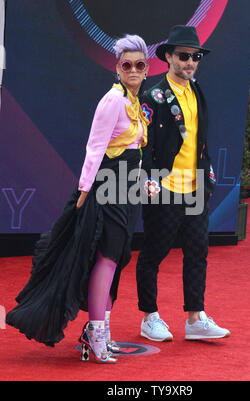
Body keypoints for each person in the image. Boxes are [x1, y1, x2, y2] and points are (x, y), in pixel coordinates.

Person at [6, 34, 149, 364]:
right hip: (106, 189)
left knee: (117, 257)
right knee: (107, 258)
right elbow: (95, 148)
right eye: (126, 64)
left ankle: (98, 332)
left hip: (126, 189)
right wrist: (85, 190)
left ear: (145, 70)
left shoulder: (134, 105)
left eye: (138, 65)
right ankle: (96, 333)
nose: (132, 70)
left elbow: (134, 152)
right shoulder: (112, 101)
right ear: (117, 68)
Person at [136, 25, 230, 341]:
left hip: (195, 188)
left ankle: (195, 318)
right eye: (184, 56)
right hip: (164, 190)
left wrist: (208, 174)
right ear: (169, 57)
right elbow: (142, 144)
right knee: (153, 253)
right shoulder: (154, 95)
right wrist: (149, 181)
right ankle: (149, 317)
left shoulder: (196, 90)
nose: (190, 62)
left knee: (197, 252)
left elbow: (200, 140)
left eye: (195, 57)